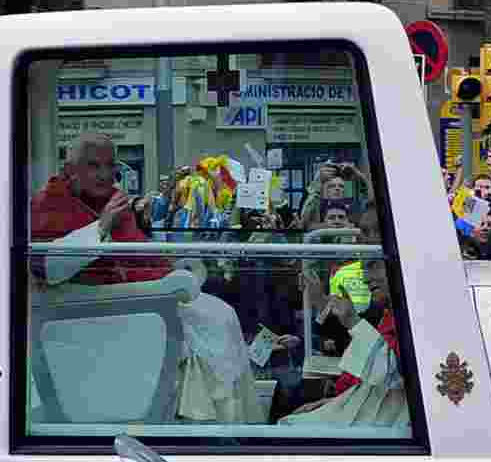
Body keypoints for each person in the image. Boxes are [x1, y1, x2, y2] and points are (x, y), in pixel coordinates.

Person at [30, 132, 259, 423]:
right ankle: (211, 420)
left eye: (109, 165)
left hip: (130, 305)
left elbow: (136, 251)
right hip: (98, 318)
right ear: (69, 170)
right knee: (216, 318)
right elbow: (47, 267)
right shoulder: (50, 203)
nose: (104, 174)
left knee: (221, 313)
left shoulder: (110, 200)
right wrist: (101, 227)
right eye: (92, 166)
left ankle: (232, 425)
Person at [280, 259, 408, 427]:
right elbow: (354, 337)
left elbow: (389, 375)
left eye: (373, 265)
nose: (365, 279)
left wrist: (351, 321)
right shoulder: (384, 308)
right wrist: (320, 302)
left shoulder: (418, 319)